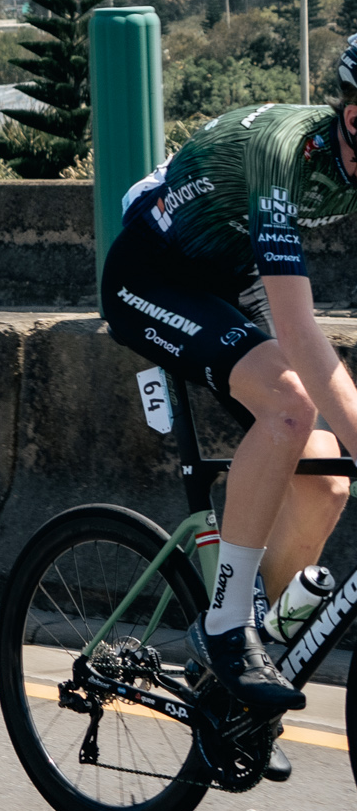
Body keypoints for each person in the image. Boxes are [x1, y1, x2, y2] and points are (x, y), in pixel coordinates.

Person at [100, 54, 357, 717]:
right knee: (290, 406)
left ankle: (252, 655)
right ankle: (224, 625)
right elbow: (301, 333)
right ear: (353, 117)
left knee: (327, 477)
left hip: (228, 273)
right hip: (151, 275)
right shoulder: (285, 152)